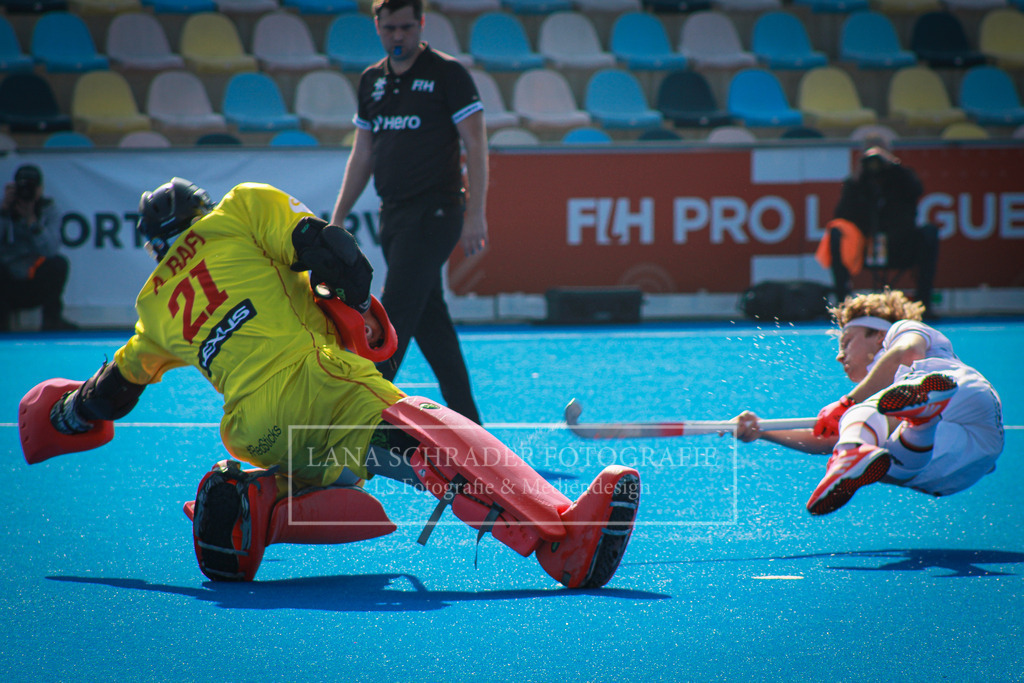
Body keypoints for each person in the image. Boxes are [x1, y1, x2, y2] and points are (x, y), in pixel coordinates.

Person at [18, 178, 639, 588]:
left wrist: (69, 412)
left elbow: (111, 395)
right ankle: (563, 540)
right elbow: (336, 251)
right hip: (317, 381)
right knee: (427, 431)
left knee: (334, 469)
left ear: (157, 247)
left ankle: (254, 510)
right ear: (201, 212)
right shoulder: (238, 210)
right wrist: (354, 310)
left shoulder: (152, 309)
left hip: (253, 429)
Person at [329, 0, 488, 423]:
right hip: (393, 216)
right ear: (377, 27)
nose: (398, 36)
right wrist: (339, 215)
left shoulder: (447, 74)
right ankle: (471, 423)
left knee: (394, 312)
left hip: (437, 211)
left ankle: (362, 419)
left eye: (406, 27)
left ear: (421, 24)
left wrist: (475, 214)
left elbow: (476, 143)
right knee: (431, 321)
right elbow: (363, 153)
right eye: (389, 29)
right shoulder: (371, 82)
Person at [734, 289, 1003, 516]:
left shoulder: (902, 330)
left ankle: (912, 423)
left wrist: (847, 403)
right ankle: (921, 420)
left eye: (847, 342)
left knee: (864, 416)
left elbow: (905, 352)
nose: (840, 356)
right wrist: (762, 431)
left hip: (961, 393)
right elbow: (828, 440)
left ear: (877, 336)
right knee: (883, 457)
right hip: (960, 467)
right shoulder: (875, 403)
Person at [819, 140, 940, 316]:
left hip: (900, 246)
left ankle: (924, 305)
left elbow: (916, 190)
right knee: (836, 232)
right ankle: (843, 304)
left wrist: (893, 165)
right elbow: (841, 214)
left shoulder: (901, 177)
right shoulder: (857, 183)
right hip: (866, 247)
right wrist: (857, 179)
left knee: (929, 232)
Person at [0, 164, 77, 331]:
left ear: (40, 189)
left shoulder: (49, 209)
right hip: (6, 279)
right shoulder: (4, 209)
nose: (26, 192)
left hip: (35, 279)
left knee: (58, 264)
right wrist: (4, 213)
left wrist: (32, 222)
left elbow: (50, 250)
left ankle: (52, 321)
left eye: (31, 187)